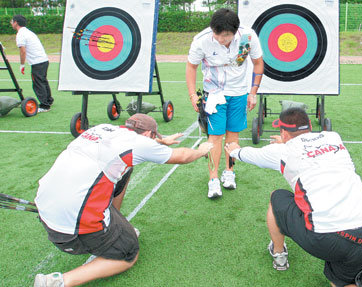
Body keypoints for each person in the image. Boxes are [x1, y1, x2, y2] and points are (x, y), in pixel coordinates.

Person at [33, 113, 213, 287]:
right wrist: (201, 150)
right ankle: (58, 281)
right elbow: (182, 156)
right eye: (153, 137)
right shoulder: (138, 143)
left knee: (125, 169)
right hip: (73, 231)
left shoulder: (103, 129)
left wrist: (158, 141)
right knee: (128, 253)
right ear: (149, 134)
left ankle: (113, 225)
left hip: (46, 209)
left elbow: (133, 145)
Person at [225, 108, 362, 287]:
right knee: (344, 281)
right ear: (310, 126)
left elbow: (244, 154)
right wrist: (287, 142)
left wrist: (234, 149)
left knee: (277, 197)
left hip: (325, 238)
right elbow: (307, 145)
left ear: (283, 132)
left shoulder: (282, 152)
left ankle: (279, 254)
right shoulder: (333, 137)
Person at [186, 8, 264, 199]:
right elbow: (191, 66)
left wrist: (253, 93)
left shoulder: (248, 36)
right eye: (217, 35)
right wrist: (192, 95)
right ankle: (213, 179)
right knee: (215, 137)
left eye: (226, 36)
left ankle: (229, 172)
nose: (221, 39)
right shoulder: (201, 40)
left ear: (235, 31)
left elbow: (258, 63)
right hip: (213, 94)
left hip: (238, 93)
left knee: (233, 136)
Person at [10, 14, 53, 112]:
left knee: (38, 83)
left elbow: (23, 51)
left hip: (37, 62)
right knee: (43, 81)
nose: (11, 23)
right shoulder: (28, 32)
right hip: (43, 60)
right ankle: (48, 100)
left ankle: (44, 106)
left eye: (12, 21)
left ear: (16, 22)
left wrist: (22, 64)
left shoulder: (20, 34)